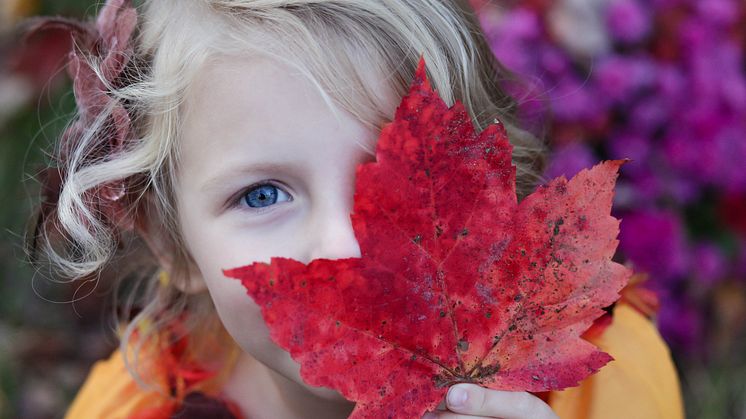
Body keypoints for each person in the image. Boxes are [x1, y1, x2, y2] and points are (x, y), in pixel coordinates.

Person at [25, 0, 684, 418]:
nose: (344, 249)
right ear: (171, 242)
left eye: (394, 178)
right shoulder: (130, 408)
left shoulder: (603, 383)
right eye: (261, 194)